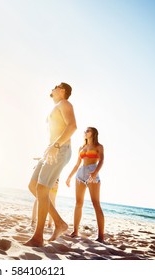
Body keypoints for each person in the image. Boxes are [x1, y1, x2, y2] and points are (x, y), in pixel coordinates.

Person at [24, 82, 77, 247]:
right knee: (33, 186)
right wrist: (48, 150)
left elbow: (73, 126)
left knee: (42, 188)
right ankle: (59, 222)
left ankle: (38, 237)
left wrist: (56, 146)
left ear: (63, 91)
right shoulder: (57, 107)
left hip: (59, 148)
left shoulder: (65, 103)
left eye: (56, 86)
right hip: (51, 149)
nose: (52, 88)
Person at [66, 127, 105, 242]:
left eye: (88, 131)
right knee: (78, 203)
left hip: (92, 173)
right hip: (80, 174)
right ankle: (75, 231)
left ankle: (101, 236)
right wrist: (69, 177)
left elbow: (102, 160)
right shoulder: (81, 147)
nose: (85, 132)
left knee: (96, 203)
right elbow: (77, 164)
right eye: (85, 131)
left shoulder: (99, 146)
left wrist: (95, 172)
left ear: (93, 133)